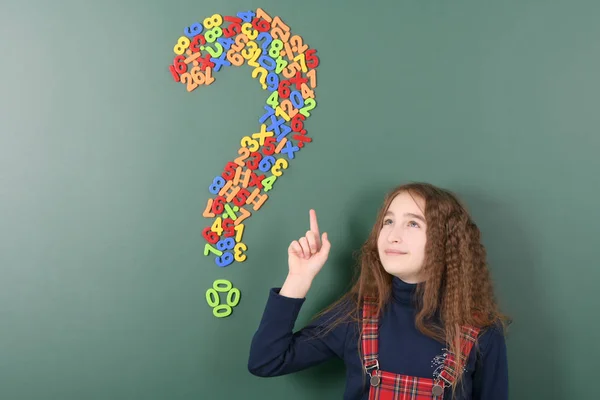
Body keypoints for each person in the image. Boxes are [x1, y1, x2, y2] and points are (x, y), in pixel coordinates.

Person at [247, 182, 510, 399]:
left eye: (413, 223)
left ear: (445, 242)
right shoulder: (356, 316)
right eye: (388, 221)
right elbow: (267, 361)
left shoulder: (480, 330)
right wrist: (299, 277)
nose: (393, 235)